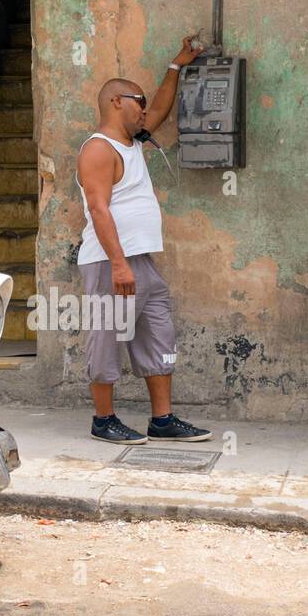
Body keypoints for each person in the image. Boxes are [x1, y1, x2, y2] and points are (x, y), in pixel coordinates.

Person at [75, 35, 212, 445]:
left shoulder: (132, 141)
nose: (145, 109)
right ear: (117, 102)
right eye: (139, 100)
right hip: (109, 261)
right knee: (106, 338)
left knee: (157, 334)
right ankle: (104, 419)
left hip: (142, 261)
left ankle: (162, 418)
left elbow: (164, 108)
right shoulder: (98, 150)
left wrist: (178, 63)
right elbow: (99, 209)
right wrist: (117, 263)